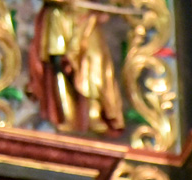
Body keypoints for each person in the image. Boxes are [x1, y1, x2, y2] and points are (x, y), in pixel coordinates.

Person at [28, 0, 126, 134]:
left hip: (87, 18)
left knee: (93, 64)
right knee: (59, 65)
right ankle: (66, 116)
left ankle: (93, 113)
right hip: (59, 16)